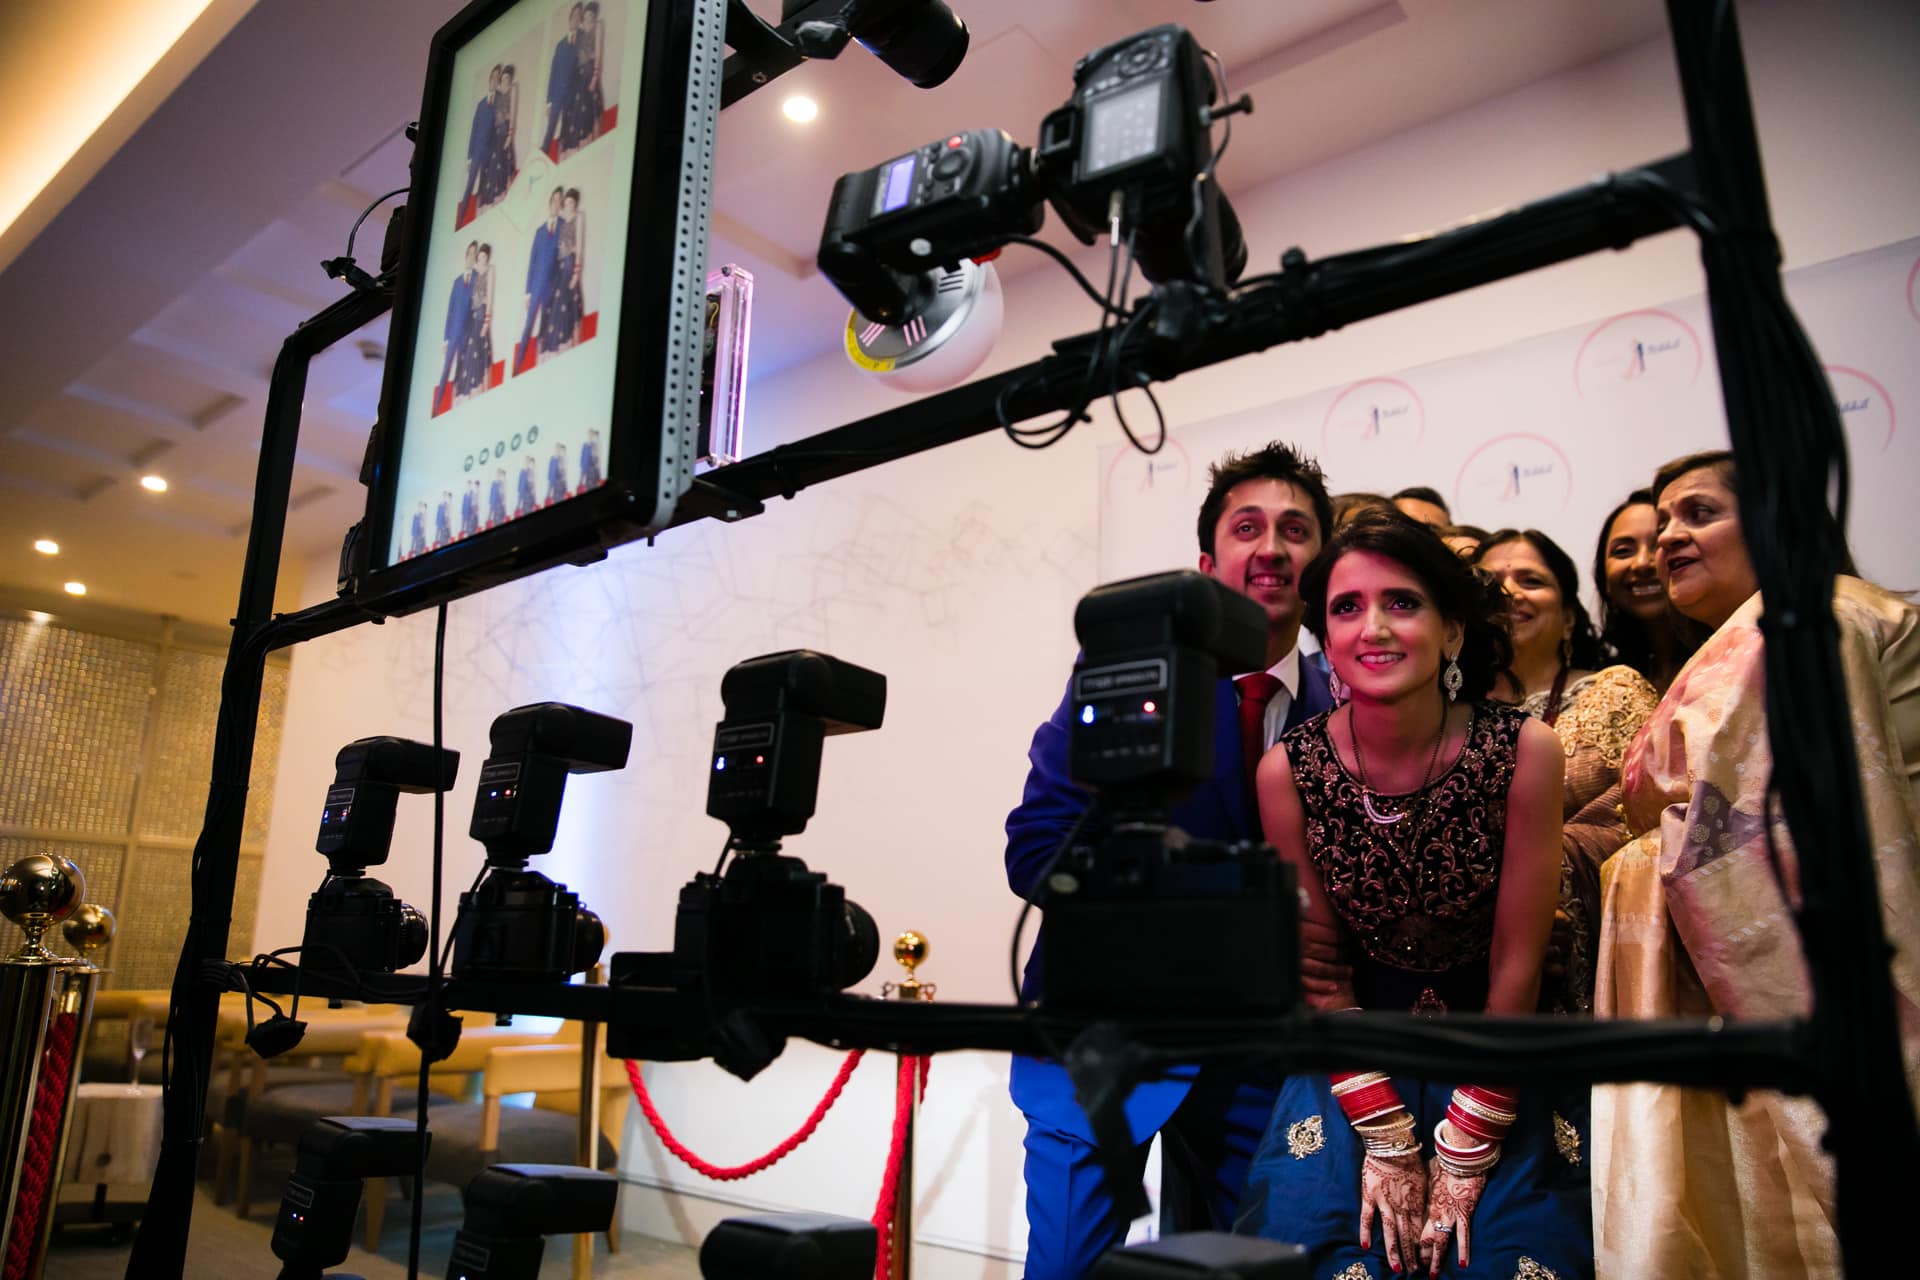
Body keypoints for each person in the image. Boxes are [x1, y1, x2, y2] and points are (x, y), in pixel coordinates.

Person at [1006, 441, 1338, 1278]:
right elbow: (1037, 846)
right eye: (1248, 527)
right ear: (1206, 560)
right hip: (1107, 1040)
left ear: (1322, 561)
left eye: (1296, 529)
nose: (1272, 547)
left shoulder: (1352, 698)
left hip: (1268, 1065)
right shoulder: (1123, 674)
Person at [1592, 450, 1920, 1280]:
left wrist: (1635, 851)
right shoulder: (1772, 628)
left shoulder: (1810, 621)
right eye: (1662, 519)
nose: (1668, 537)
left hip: (1793, 989)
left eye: (1698, 514)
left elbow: (1764, 835)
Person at [1236, 511, 1587, 1278]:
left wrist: (1468, 1140)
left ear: (1452, 630)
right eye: (1347, 608)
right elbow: (1322, 973)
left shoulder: (1523, 748)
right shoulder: (1287, 772)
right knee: (1327, 1254)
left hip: (1501, 1046)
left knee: (1503, 1260)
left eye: (1402, 602)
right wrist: (1385, 1133)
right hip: (1359, 1051)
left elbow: (1517, 967)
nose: (1375, 629)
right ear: (1324, 639)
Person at [1473, 529, 1658, 1014]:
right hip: (1467, 979)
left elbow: (1643, 824)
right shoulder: (1442, 714)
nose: (1510, 592)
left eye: (1531, 580)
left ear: (1570, 618)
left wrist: (1534, 899)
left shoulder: (1617, 693)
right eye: (1491, 581)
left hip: (1593, 980)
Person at [1589, 490, 1703, 693]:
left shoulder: (1728, 657)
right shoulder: (1600, 682)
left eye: (1658, 544)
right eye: (1623, 551)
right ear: (1603, 576)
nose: (1642, 563)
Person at [520, 188, 563, 367]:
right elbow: (532, 262)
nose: (555, 204)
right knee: (528, 324)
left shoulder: (564, 225)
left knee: (548, 322)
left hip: (553, 285)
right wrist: (527, 292)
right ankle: (519, 361)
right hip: (537, 285)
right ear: (549, 203)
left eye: (559, 201)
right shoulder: (540, 231)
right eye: (553, 200)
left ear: (561, 205)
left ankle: (544, 358)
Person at [558, 2, 605, 155]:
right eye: (585, 16)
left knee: (594, 109)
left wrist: (595, 77)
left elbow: (597, 54)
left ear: (595, 16)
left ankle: (598, 144)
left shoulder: (597, 27)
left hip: (591, 72)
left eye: (590, 16)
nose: (588, 19)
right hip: (579, 77)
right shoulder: (579, 33)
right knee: (578, 113)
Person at [543, 189, 585, 353]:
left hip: (570, 263)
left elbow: (579, 246)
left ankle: (576, 345)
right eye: (566, 203)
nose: (568, 206)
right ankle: (561, 347)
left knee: (572, 304)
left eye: (571, 203)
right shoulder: (560, 221)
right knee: (558, 306)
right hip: (558, 268)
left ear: (576, 204)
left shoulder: (578, 217)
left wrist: (576, 272)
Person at [454, 245, 495, 400]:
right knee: (470, 354)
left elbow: (489, 296)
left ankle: (485, 390)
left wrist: (487, 320)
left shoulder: (490, 271)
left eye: (484, 257)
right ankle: (471, 391)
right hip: (471, 320)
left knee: (482, 353)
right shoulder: (474, 273)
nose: (481, 260)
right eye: (480, 257)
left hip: (482, 316)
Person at [477, 65, 518, 209]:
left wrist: (510, 135)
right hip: (496, 132)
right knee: (494, 163)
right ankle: (492, 196)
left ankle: (507, 194)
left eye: (508, 77)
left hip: (505, 129)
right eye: (504, 78)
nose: (505, 80)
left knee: (505, 161)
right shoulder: (498, 94)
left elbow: (512, 114)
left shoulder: (513, 89)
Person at [438, 244, 477, 395]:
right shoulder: (457, 282)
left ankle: (459, 393)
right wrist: (446, 339)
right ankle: (439, 400)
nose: (471, 258)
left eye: (474, 255)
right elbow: (451, 311)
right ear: (466, 256)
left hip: (467, 333)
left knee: (462, 366)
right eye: (470, 254)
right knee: (446, 367)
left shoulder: (477, 278)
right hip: (454, 333)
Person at [542, 5, 580, 155]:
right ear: (570, 18)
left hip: (573, 93)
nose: (576, 19)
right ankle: (543, 158)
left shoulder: (583, 37)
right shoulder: (560, 45)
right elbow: (554, 73)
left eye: (579, 16)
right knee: (550, 129)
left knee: (567, 125)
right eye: (574, 16)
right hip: (557, 95)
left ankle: (563, 154)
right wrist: (549, 101)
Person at [462, 68, 500, 213]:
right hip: (477, 151)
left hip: (490, 152)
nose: (495, 80)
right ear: (490, 79)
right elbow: (474, 130)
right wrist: (469, 157)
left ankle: (480, 211)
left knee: (484, 184)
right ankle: (462, 217)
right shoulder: (481, 104)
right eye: (494, 77)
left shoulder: (500, 99)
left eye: (498, 78)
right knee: (469, 185)